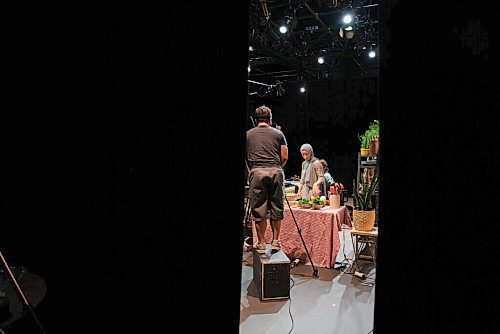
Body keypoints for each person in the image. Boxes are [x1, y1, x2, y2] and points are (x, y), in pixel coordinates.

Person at [246, 105, 288, 253]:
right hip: (276, 171)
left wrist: (251, 171)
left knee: (259, 209)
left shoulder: (248, 135)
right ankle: (276, 241)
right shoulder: (279, 134)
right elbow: (284, 156)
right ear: (270, 119)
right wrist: (276, 167)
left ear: (256, 120)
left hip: (256, 173)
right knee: (277, 206)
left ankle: (261, 243)